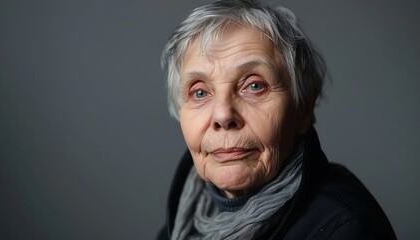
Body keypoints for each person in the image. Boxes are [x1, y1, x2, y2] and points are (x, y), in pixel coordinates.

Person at [157, 0, 396, 239]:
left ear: (303, 108)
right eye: (200, 92)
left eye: (254, 85)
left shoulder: (345, 229)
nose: (223, 115)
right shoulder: (182, 219)